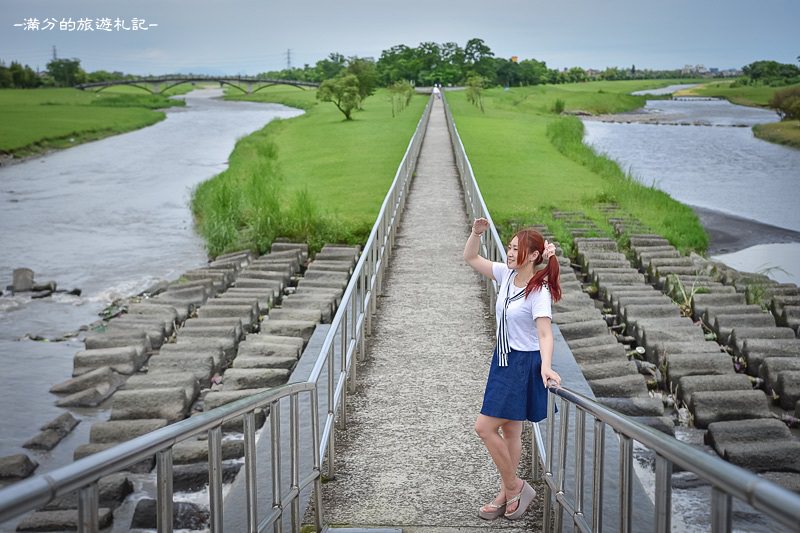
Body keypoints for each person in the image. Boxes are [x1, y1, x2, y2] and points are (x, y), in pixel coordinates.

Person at [463, 217, 562, 520]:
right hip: (503, 359)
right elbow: (470, 257)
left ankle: (516, 486)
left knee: (484, 427)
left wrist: (546, 366)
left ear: (533, 255)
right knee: (510, 430)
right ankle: (509, 494)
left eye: (515, 249)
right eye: (508, 247)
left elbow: (545, 334)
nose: (508, 253)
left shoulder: (539, 292)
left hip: (523, 364)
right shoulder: (506, 274)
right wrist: (475, 234)